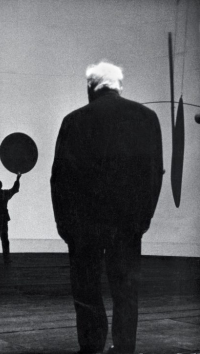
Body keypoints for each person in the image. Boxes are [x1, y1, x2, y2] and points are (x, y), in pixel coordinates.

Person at [50, 61, 163, 354]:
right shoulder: (147, 118)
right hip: (127, 223)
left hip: (84, 224)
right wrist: (143, 218)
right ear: (119, 87)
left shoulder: (73, 120)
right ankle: (124, 347)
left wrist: (64, 225)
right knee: (126, 290)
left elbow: (59, 177)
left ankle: (91, 345)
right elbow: (154, 174)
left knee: (86, 289)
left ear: (91, 88)